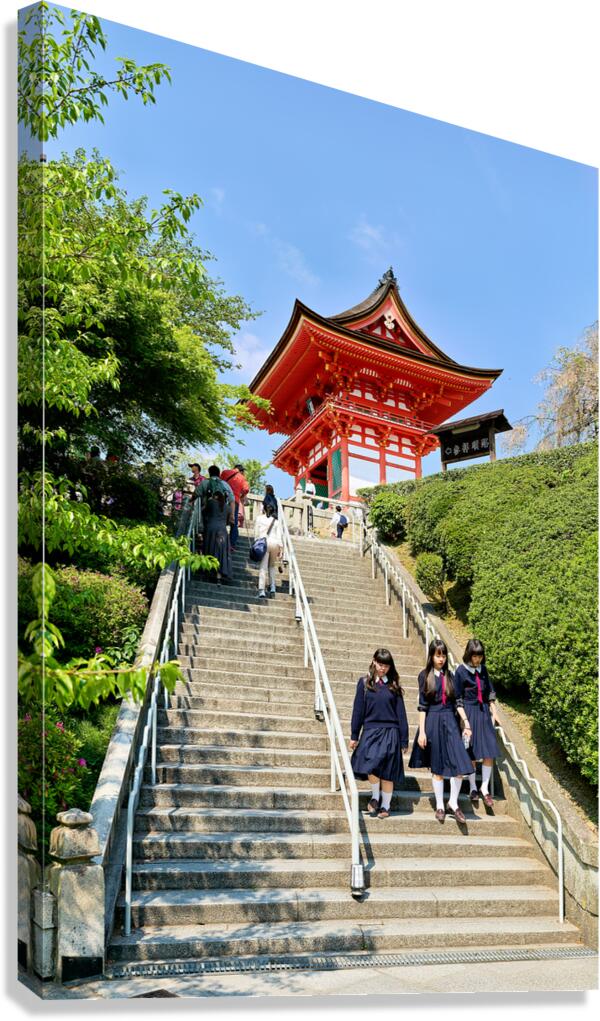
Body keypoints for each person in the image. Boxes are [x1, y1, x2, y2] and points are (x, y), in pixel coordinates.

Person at [408, 638, 474, 824]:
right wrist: (422, 732)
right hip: (433, 721)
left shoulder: (451, 677)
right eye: (438, 655)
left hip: (451, 722)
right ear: (431, 656)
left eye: (444, 655)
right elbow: (422, 706)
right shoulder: (424, 676)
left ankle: (453, 802)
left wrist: (466, 723)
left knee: (460, 763)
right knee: (437, 767)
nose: (441, 658)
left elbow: (458, 702)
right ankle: (439, 806)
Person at [349, 649, 409, 819]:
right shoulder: (364, 683)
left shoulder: (394, 686)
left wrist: (404, 740)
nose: (382, 668)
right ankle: (375, 797)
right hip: (370, 731)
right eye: (380, 664)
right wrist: (354, 735)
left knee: (388, 772)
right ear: (374, 661)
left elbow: (401, 714)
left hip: (391, 732)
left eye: (386, 666)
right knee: (371, 765)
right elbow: (358, 711)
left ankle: (385, 806)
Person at [454, 638, 499, 808]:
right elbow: (457, 698)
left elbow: (490, 692)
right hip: (469, 712)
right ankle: (473, 787)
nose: (477, 659)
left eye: (480, 656)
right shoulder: (461, 671)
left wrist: (493, 711)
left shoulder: (484, 670)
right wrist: (465, 721)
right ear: (469, 654)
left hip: (483, 713)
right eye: (474, 656)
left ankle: (484, 788)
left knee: (489, 752)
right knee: (471, 752)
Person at [203, 484, 234, 584]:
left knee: (210, 549)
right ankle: (219, 577)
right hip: (222, 531)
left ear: (215, 496)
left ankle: (209, 572)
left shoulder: (211, 502)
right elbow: (229, 522)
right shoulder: (228, 508)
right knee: (221, 553)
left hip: (210, 529)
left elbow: (203, 512)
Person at [253, 502, 283, 598]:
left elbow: (256, 534)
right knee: (272, 566)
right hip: (275, 543)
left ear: (264, 509)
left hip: (264, 543)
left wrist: (256, 543)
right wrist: (281, 549)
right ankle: (273, 587)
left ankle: (262, 590)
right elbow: (279, 536)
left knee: (263, 567)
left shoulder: (259, 518)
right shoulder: (276, 521)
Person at [220, 464, 250, 551]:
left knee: (221, 520)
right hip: (235, 502)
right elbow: (246, 489)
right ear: (241, 471)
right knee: (234, 524)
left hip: (222, 499)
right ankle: (231, 545)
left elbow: (219, 482)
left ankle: (219, 541)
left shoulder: (225, 472)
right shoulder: (242, 478)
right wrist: (242, 495)